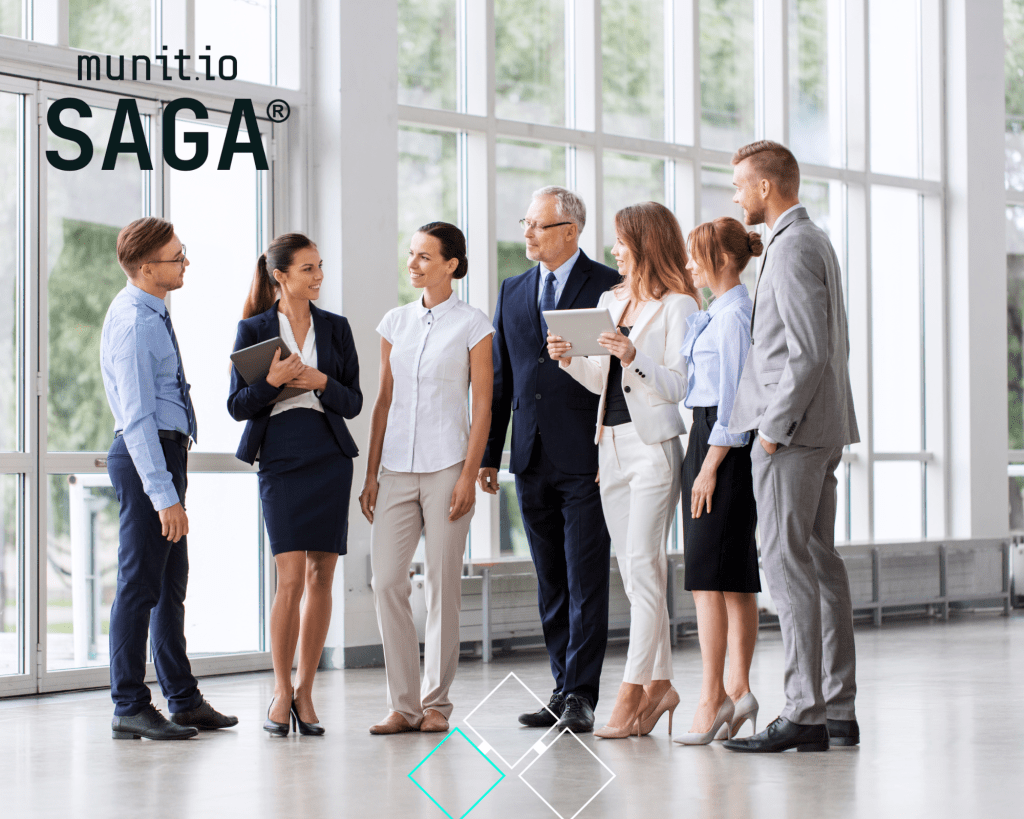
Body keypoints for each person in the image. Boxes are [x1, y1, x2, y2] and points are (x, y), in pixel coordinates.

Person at [722, 140, 860, 754]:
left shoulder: (795, 245)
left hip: (794, 434)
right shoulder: (805, 240)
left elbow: (807, 350)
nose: (735, 196)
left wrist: (773, 430)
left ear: (766, 189)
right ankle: (836, 709)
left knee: (788, 568)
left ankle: (804, 709)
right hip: (820, 427)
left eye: (739, 186)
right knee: (820, 565)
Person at [547, 202, 700, 738]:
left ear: (644, 242)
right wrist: (571, 359)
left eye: (621, 241)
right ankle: (660, 686)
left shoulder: (679, 306)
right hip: (607, 443)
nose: (614, 250)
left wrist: (633, 353)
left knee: (641, 566)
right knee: (639, 576)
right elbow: (600, 382)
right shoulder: (610, 299)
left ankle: (633, 691)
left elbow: (681, 386)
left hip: (652, 445)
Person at [479, 186, 619, 734]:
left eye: (538, 225)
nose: (528, 233)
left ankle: (583, 694)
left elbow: (615, 373)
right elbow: (501, 380)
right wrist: (492, 454)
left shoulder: (608, 285)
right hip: (531, 455)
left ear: (570, 230)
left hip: (587, 454)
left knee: (586, 579)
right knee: (551, 581)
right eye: (526, 223)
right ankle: (561, 688)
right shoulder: (513, 290)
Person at [101, 217, 237, 740]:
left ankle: (182, 698)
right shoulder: (135, 321)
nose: (185, 264)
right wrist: (164, 496)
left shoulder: (152, 312)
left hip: (164, 454)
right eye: (176, 257)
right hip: (146, 459)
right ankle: (129, 704)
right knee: (138, 586)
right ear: (144, 267)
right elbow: (136, 417)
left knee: (169, 585)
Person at [360, 222, 493, 735]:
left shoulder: (474, 324)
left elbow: (481, 406)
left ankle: (436, 703)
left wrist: (468, 473)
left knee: (442, 586)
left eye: (423, 257)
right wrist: (371, 473)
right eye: (411, 255)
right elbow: (384, 401)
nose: (412, 264)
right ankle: (403, 704)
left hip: (446, 469)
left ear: (451, 265)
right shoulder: (395, 322)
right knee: (387, 581)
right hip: (395, 468)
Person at [228, 233, 361, 737]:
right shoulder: (254, 330)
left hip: (329, 455)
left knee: (322, 578)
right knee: (289, 579)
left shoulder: (336, 328)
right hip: (281, 456)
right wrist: (274, 382)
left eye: (320, 266)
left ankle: (307, 690)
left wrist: (321, 382)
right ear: (280, 276)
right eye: (308, 269)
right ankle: (280, 691)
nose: (319, 276)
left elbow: (353, 401)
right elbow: (238, 406)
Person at [674, 217, 762, 746]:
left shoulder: (733, 319)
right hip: (704, 437)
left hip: (722, 444)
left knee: (712, 575)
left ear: (722, 261)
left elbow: (735, 401)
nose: (689, 265)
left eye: (696, 256)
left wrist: (709, 465)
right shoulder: (715, 313)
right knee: (725, 574)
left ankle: (715, 696)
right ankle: (737, 691)